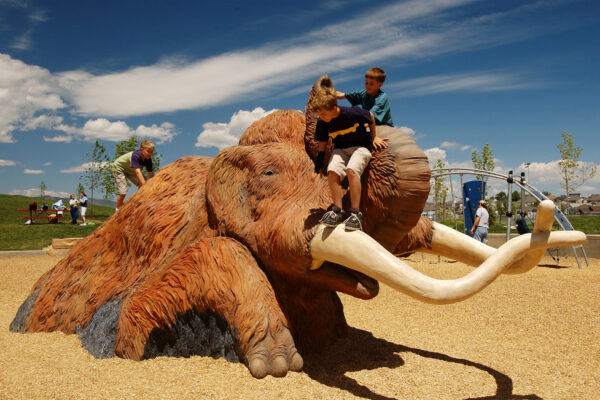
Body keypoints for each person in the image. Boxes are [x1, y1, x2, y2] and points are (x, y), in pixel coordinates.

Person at [312, 88, 388, 231]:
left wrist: (374, 137)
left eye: (323, 113)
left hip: (361, 146)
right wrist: (319, 166)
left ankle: (355, 214)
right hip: (340, 149)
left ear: (334, 108)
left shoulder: (352, 113)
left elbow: (370, 116)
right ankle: (337, 210)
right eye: (319, 114)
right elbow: (322, 144)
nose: (320, 116)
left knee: (351, 170)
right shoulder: (322, 122)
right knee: (332, 170)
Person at [112, 140, 155, 210]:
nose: (150, 154)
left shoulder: (148, 160)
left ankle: (137, 200)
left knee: (146, 182)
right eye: (148, 151)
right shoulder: (135, 156)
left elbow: (150, 174)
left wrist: (154, 185)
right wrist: (145, 186)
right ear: (141, 150)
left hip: (130, 171)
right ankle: (117, 209)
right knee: (123, 192)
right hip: (119, 168)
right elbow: (138, 172)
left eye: (152, 152)